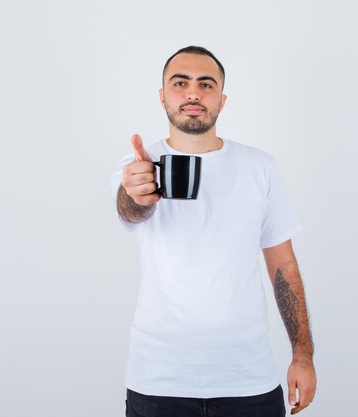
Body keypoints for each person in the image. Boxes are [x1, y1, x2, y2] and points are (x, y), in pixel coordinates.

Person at [111, 45, 316, 417]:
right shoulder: (138, 166)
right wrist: (138, 194)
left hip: (249, 380)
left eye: (206, 84)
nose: (193, 93)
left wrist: (302, 356)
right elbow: (129, 210)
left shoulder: (260, 167)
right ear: (162, 97)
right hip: (159, 382)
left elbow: (283, 265)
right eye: (180, 83)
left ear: (221, 100)